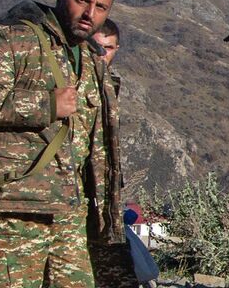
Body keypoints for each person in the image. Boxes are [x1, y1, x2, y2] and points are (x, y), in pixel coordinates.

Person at [0, 0, 116, 287]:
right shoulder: (12, 38)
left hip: (70, 213)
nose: (89, 13)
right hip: (12, 210)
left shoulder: (93, 60)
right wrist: (46, 105)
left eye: (100, 7)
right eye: (82, 0)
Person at [86, 19, 139, 286]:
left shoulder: (114, 84)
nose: (102, 53)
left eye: (108, 47)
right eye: (97, 46)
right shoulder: (71, 80)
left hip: (106, 195)